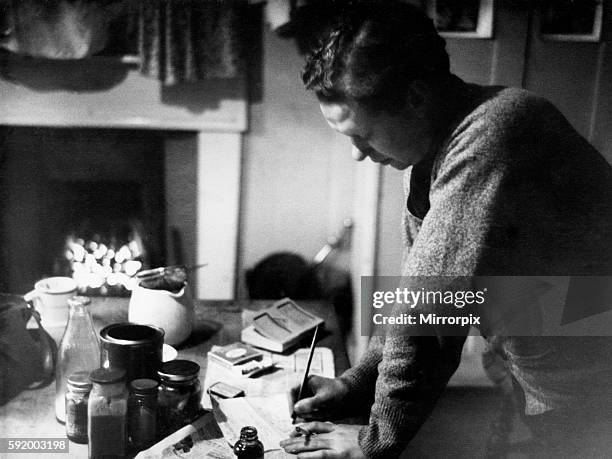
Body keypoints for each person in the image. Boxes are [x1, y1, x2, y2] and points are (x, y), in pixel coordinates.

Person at [279, 1, 612, 458]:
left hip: (593, 384)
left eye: (363, 134)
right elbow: (420, 297)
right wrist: (355, 385)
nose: (357, 154)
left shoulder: (495, 134)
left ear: (415, 97)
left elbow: (428, 313)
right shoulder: (429, 152)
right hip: (539, 355)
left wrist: (371, 443)